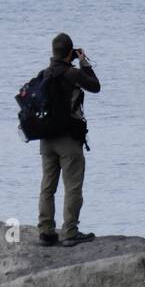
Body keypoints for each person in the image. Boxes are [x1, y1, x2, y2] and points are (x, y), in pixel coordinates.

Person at [37, 32, 100, 247]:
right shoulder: (72, 73)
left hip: (45, 139)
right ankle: (70, 232)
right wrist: (83, 62)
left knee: (48, 186)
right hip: (68, 140)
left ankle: (46, 232)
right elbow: (95, 86)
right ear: (69, 53)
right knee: (72, 186)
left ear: (53, 52)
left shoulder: (44, 74)